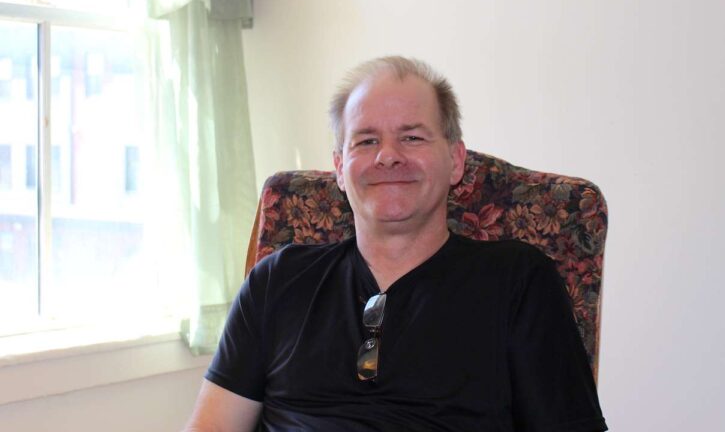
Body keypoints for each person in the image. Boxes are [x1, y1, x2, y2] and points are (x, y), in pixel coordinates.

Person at [183, 56, 608, 431]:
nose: (388, 156)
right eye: (366, 140)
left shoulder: (518, 280)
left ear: (456, 160)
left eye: (412, 137)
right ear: (339, 168)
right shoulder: (277, 280)